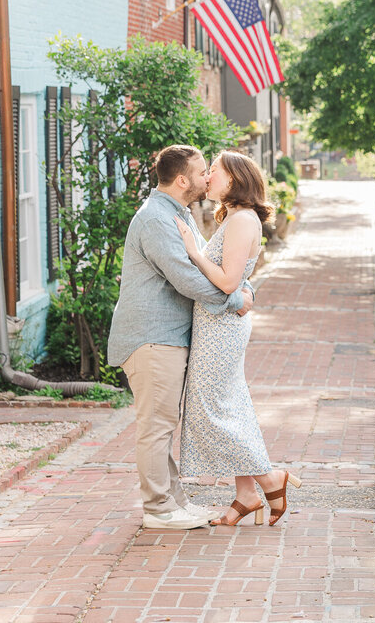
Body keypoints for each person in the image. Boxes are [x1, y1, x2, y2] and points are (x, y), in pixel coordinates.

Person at [108, 145, 256, 530]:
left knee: (163, 424)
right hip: (152, 338)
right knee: (156, 427)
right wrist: (236, 299)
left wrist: (241, 287)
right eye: (203, 171)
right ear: (182, 180)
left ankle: (173, 501)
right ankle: (158, 509)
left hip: (168, 337)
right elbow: (187, 279)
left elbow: (211, 264)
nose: (208, 177)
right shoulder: (156, 219)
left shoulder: (178, 214)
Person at [176, 150, 302, 526]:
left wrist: (195, 254)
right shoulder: (234, 216)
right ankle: (247, 494)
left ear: (235, 178)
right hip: (217, 324)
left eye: (215, 170)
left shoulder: (244, 219)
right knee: (228, 407)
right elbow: (236, 281)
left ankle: (267, 477)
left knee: (210, 409)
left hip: (223, 327)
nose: (209, 175)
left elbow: (229, 281)